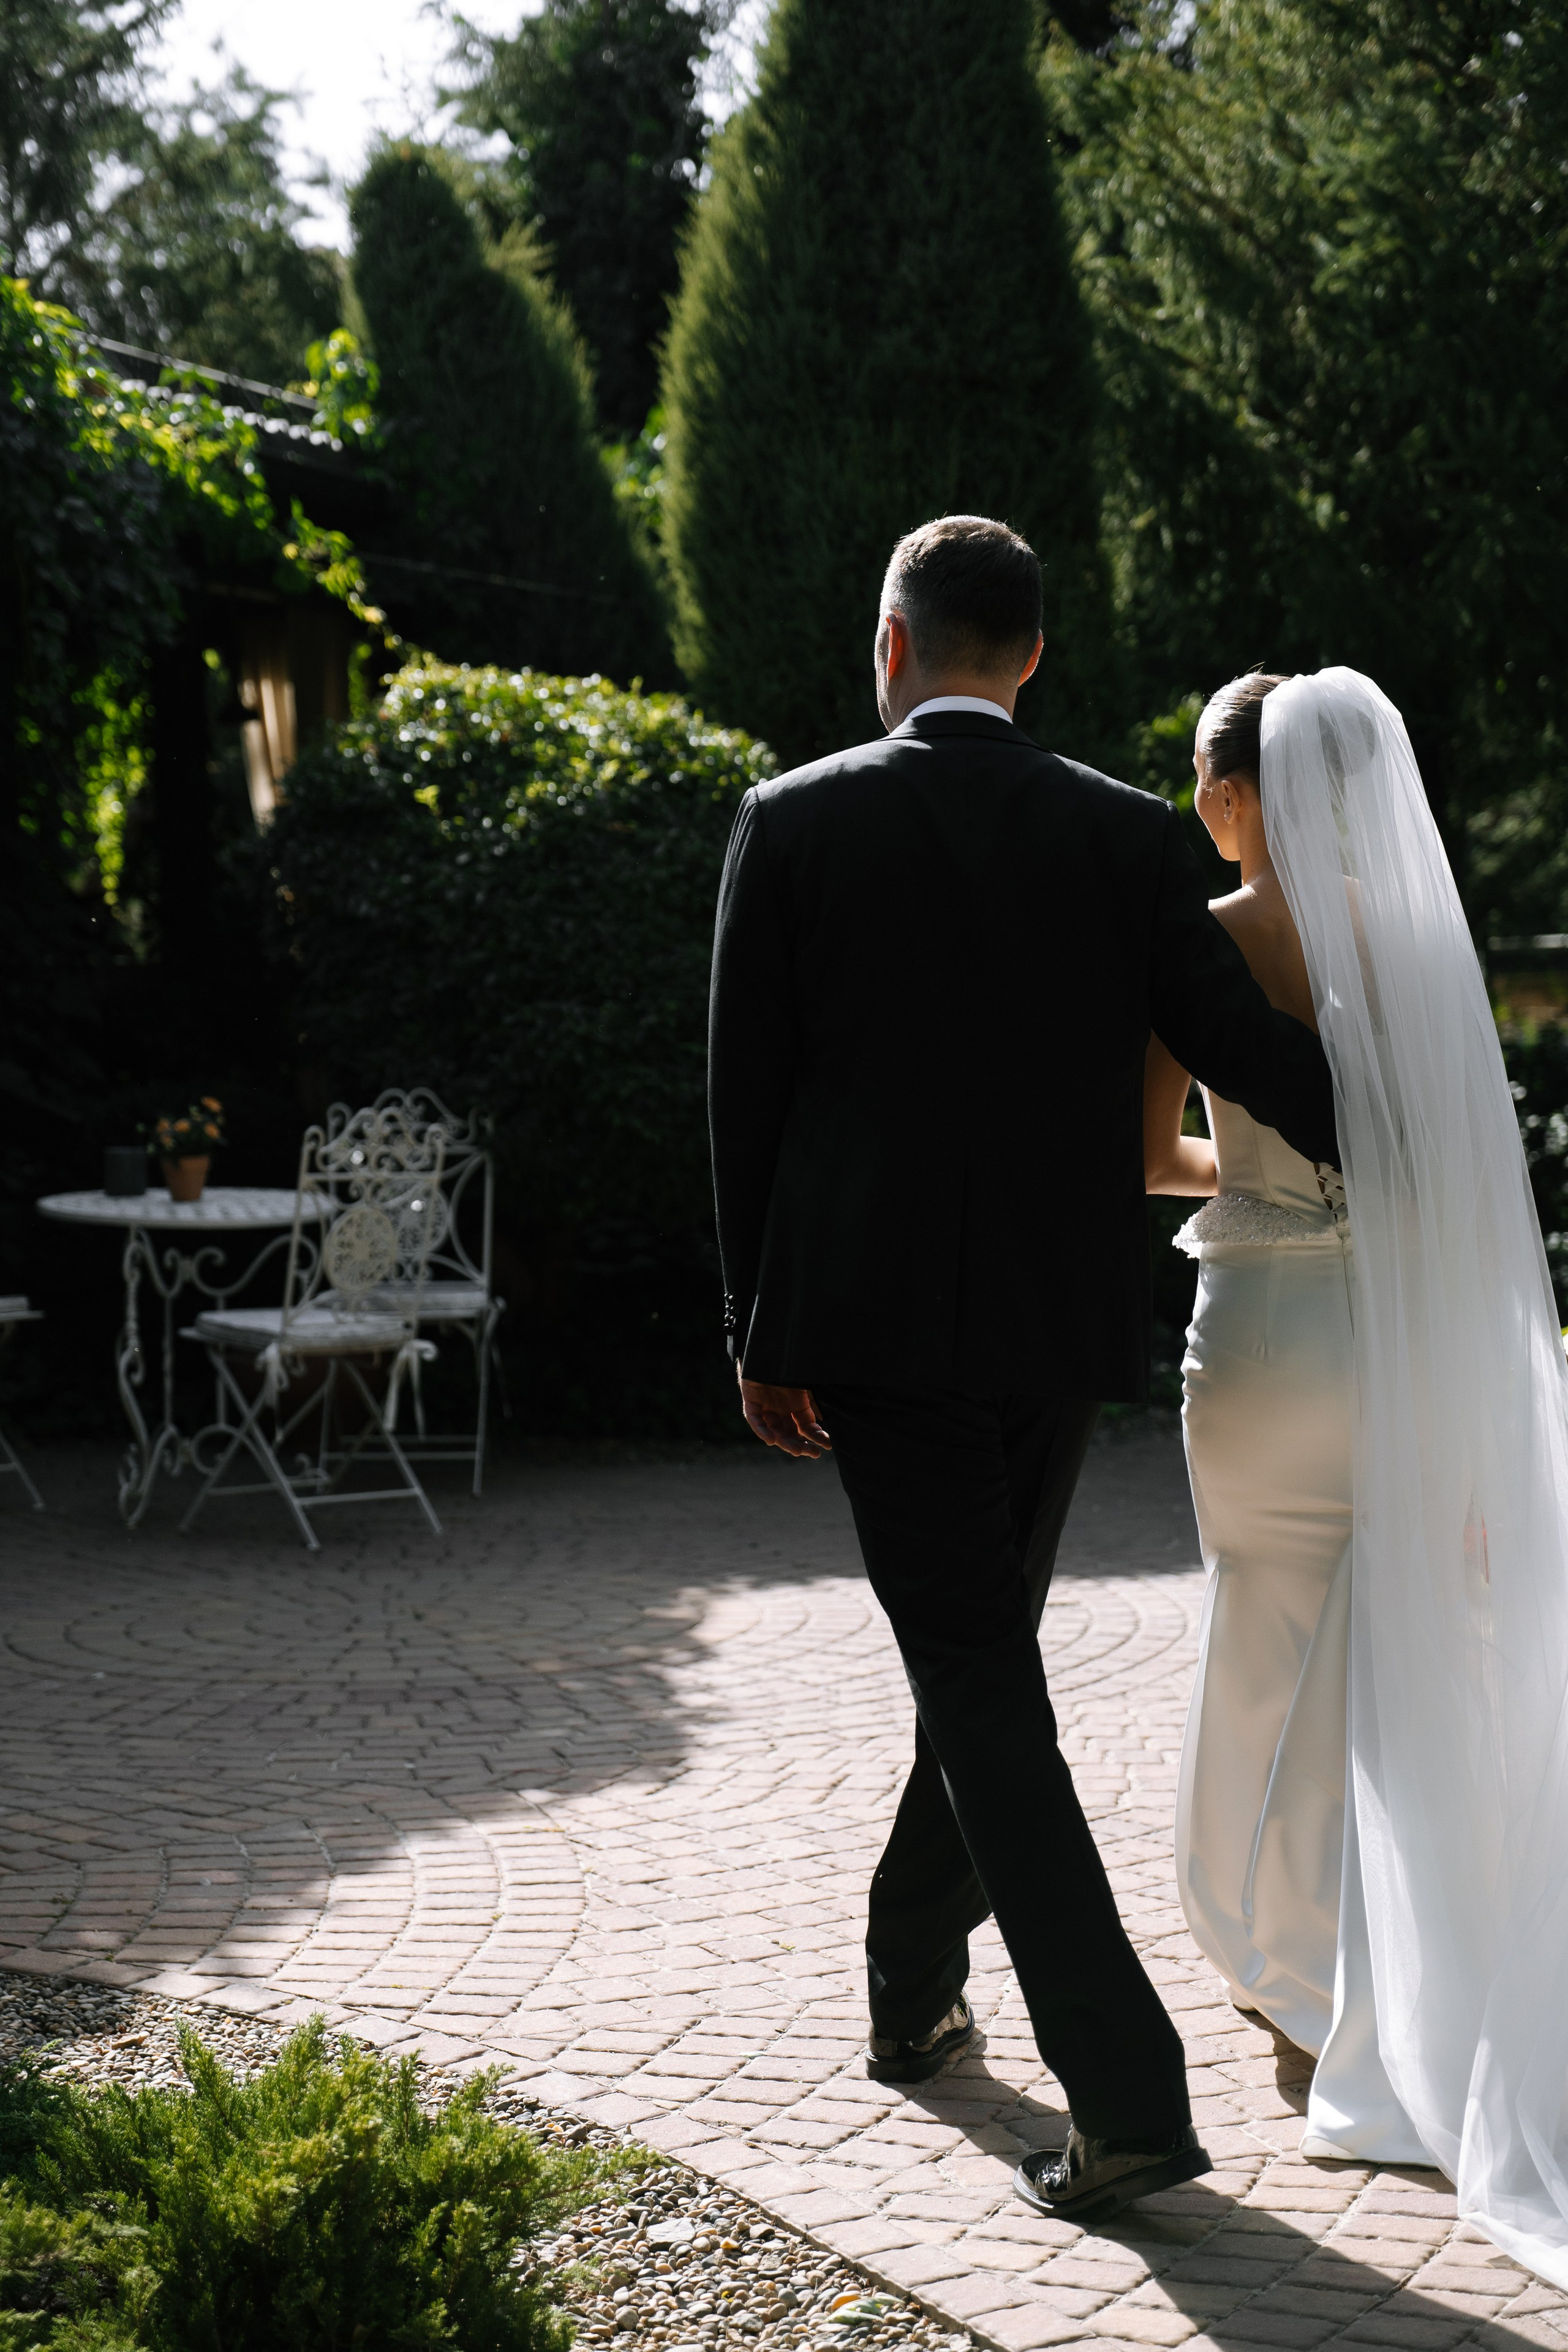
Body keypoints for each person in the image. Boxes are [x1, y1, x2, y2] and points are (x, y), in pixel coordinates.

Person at [706, 514, 1338, 2225]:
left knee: (978, 1681)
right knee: (974, 1668)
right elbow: (1249, 1053)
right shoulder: (1125, 838)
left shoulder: (793, 822)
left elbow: (745, 1102)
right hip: (1057, 1340)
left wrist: (763, 1333)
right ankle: (912, 1981)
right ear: (1035, 655)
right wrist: (1416, 1124)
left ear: (892, 641)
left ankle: (1127, 2099)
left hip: (880, 1341)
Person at [1147, 666, 1568, 2286]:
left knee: (1262, 1627)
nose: (1196, 800)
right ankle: (1387, 1979)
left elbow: (1147, 1155)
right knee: (1390, 1650)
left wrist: (1249, 1168)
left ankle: (1276, 1962)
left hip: (1258, 1331)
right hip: (1394, 1339)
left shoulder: (1201, 938)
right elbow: (1461, 1183)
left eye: (1202, 773)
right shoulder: (1413, 943)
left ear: (1243, 789)